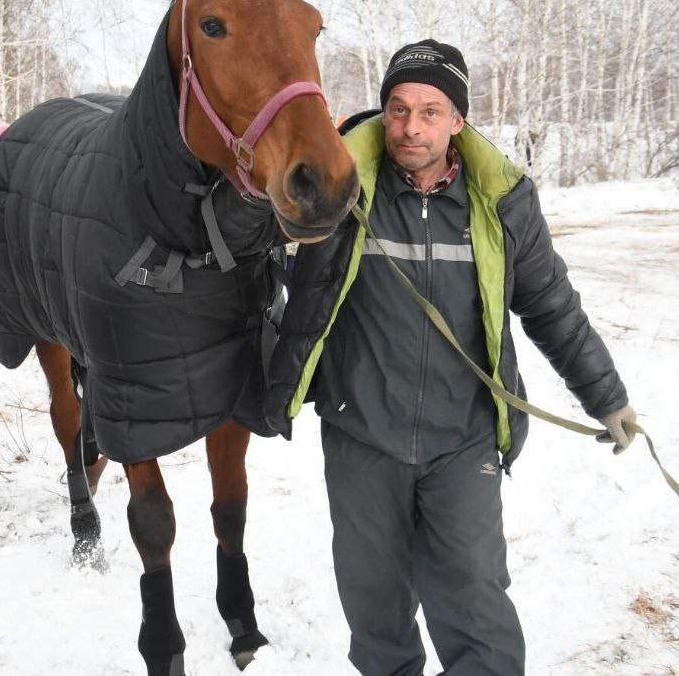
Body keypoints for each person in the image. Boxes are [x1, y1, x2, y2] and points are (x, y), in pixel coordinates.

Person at [265, 40, 636, 676]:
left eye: (431, 111)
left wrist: (606, 396)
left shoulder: (501, 203)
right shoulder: (342, 190)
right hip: (362, 434)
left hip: (462, 443)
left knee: (476, 608)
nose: (411, 126)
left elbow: (551, 305)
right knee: (376, 611)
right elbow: (258, 247)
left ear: (458, 120)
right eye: (399, 108)